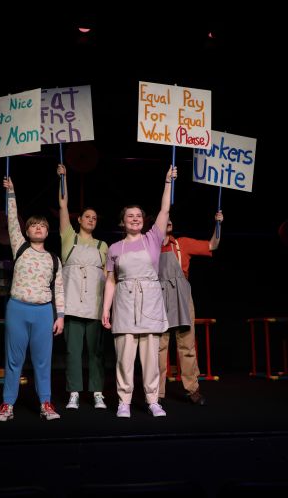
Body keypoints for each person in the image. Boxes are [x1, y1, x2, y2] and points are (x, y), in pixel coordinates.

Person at [102, 165, 176, 418]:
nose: (134, 219)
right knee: (124, 357)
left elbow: (165, 209)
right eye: (129, 216)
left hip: (150, 300)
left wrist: (168, 182)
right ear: (122, 222)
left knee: (150, 359)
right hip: (123, 302)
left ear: (144, 221)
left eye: (138, 216)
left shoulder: (152, 239)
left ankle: (153, 400)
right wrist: (105, 309)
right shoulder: (113, 248)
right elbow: (110, 281)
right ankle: (124, 401)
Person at [0, 174, 65, 422]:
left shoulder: (54, 260)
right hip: (18, 309)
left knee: (42, 362)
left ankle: (46, 403)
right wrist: (11, 193)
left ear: (47, 231)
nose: (37, 228)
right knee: (14, 360)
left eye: (42, 225)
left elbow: (60, 290)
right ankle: (7, 405)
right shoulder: (20, 248)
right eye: (33, 225)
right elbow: (12, 220)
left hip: (44, 312)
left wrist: (61, 317)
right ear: (27, 230)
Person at [157, 210, 224, 406]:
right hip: (159, 297)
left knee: (187, 345)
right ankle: (157, 392)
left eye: (170, 219)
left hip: (182, 297)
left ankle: (192, 389)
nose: (168, 221)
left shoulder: (182, 243)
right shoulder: (150, 247)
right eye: (164, 219)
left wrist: (218, 225)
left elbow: (213, 245)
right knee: (159, 347)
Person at [56, 163, 109, 410]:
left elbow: (110, 278)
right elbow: (63, 206)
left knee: (96, 353)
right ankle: (74, 392)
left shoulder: (103, 246)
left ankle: (98, 392)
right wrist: (63, 178)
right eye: (87, 216)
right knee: (72, 352)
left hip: (96, 307)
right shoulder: (69, 237)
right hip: (72, 305)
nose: (91, 220)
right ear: (79, 219)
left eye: (95, 218)